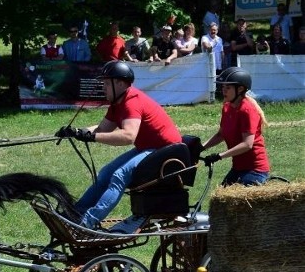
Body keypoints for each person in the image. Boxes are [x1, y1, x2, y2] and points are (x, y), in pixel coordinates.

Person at [55, 60, 182, 232]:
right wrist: (76, 132)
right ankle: (75, 214)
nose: (104, 87)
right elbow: (102, 129)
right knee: (106, 173)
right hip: (149, 148)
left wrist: (92, 137)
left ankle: (87, 222)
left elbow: (128, 136)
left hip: (166, 150)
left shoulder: (132, 101)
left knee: (119, 175)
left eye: (107, 83)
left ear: (120, 83)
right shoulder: (118, 102)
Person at [201, 67, 270, 186]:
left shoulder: (247, 110)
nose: (224, 91)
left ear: (241, 89)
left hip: (255, 170)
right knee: (222, 201)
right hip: (238, 168)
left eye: (228, 88)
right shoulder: (227, 107)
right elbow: (220, 135)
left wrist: (219, 156)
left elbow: (247, 144)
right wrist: (200, 148)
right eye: (223, 87)